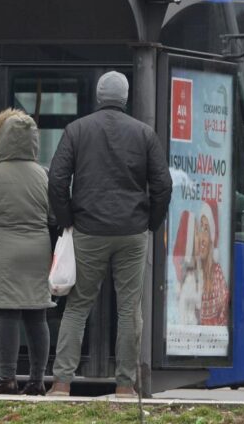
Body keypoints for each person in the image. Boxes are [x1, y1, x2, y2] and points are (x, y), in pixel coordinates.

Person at [47, 71, 172, 397]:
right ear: (125, 97)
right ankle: (124, 387)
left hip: (88, 229)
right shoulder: (144, 134)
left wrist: (68, 219)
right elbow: (163, 185)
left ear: (100, 96)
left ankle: (61, 384)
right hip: (132, 232)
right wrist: (150, 224)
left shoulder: (76, 130)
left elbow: (57, 180)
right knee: (129, 309)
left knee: (77, 306)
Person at [0, 109, 54, 396]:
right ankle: (38, 380)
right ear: (33, 141)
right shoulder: (44, 175)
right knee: (37, 316)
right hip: (37, 251)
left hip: (1, 253)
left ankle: (7, 379)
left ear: (2, 140)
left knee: (7, 316)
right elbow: (56, 215)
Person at [197, 200, 229, 326]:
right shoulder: (193, 271)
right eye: (201, 228)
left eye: (206, 229)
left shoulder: (217, 276)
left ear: (212, 238)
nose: (202, 238)